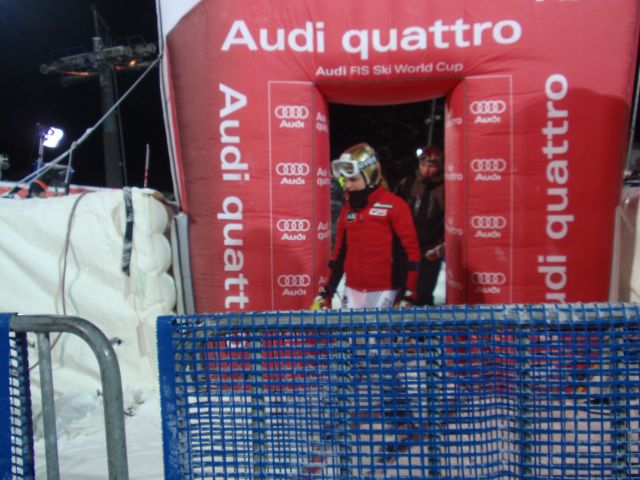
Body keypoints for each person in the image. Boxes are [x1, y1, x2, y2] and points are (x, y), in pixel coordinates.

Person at [313, 142, 421, 309]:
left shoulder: (395, 206)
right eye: (345, 179)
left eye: (353, 179)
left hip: (386, 292)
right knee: (351, 328)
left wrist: (408, 292)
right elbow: (339, 254)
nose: (347, 185)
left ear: (370, 176)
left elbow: (410, 253)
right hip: (352, 290)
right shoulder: (348, 209)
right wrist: (327, 290)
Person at [395, 145, 445, 306]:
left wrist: (441, 243)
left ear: (439, 166)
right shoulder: (408, 184)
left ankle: (424, 319)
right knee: (402, 289)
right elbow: (394, 210)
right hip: (407, 246)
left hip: (430, 246)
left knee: (423, 291)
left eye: (431, 166)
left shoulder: (446, 187)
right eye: (423, 165)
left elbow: (451, 219)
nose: (426, 170)